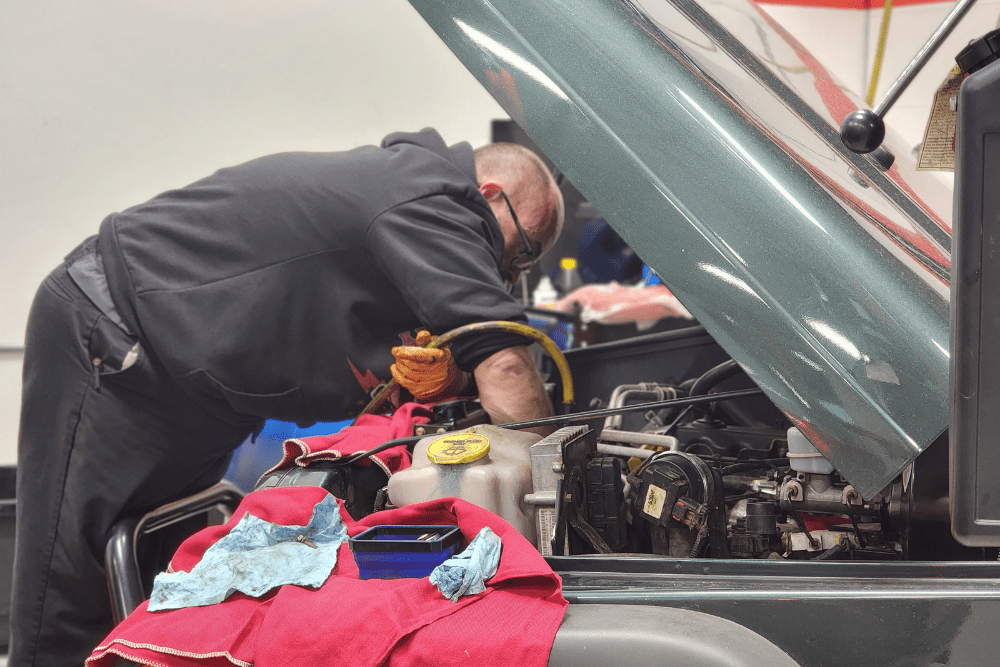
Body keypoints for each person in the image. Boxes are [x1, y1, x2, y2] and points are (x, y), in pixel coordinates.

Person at [11, 128, 564, 667]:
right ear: (490, 194)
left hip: (194, 386)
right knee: (71, 590)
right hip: (118, 336)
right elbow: (505, 358)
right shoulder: (427, 198)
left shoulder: (414, 201)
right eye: (525, 249)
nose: (512, 271)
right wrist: (543, 473)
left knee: (168, 589)